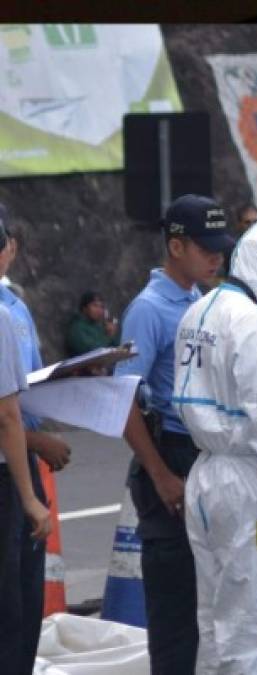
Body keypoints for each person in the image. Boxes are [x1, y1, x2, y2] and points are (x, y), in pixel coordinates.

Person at [173, 216, 257, 674]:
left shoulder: (198, 310)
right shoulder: (256, 324)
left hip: (205, 477)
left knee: (213, 614)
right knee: (256, 616)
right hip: (250, 485)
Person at [116, 194, 232, 674]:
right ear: (177, 245)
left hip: (200, 457)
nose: (216, 258)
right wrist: (160, 473)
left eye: (220, 248)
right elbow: (123, 401)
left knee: (207, 603)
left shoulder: (198, 301)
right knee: (174, 608)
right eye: (206, 248)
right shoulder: (148, 309)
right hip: (168, 456)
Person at [0, 220, 72, 675]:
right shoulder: (2, 318)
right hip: (6, 475)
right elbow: (6, 414)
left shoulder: (14, 310)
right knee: (13, 611)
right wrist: (30, 498)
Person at [64, 291, 119, 357]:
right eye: (95, 306)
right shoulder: (77, 328)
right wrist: (108, 336)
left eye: (101, 307)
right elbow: (93, 351)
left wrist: (113, 333)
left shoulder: (100, 326)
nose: (99, 310)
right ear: (84, 308)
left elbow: (116, 348)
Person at [222, 202, 257, 276]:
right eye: (247, 222)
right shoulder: (232, 248)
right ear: (239, 224)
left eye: (256, 222)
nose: (253, 226)